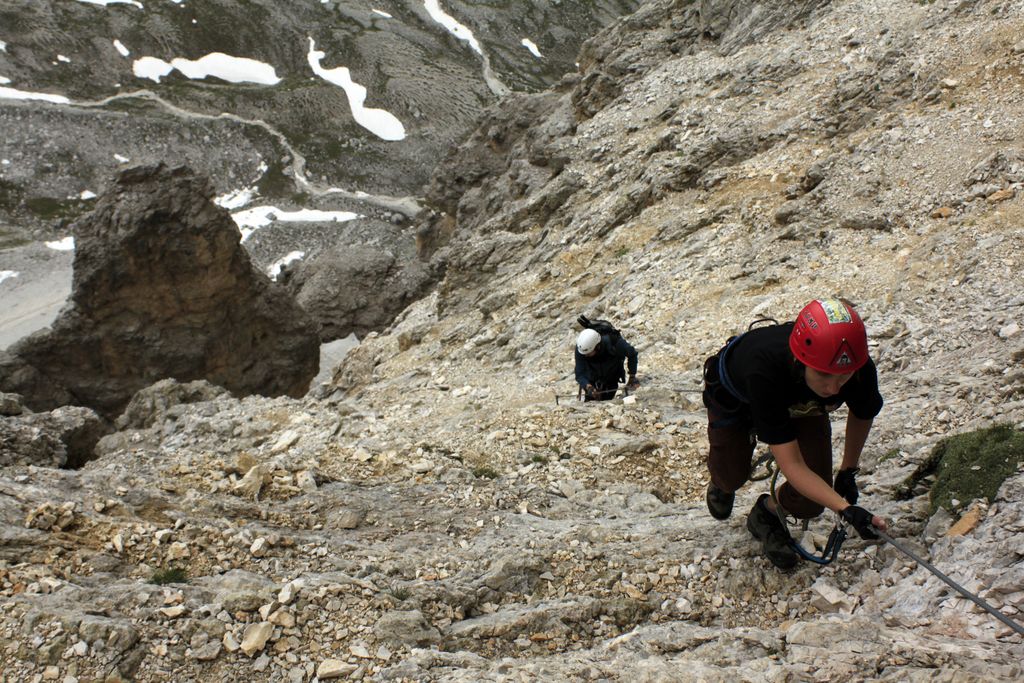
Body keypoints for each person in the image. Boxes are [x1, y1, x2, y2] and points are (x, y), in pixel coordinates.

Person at [701, 298, 888, 569]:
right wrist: (845, 509)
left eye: (843, 376)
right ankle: (721, 482)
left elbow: (863, 412)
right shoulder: (764, 369)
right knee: (731, 476)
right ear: (802, 360)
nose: (834, 388)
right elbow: (793, 465)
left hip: (799, 400)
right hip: (737, 399)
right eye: (824, 374)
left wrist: (848, 472)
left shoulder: (856, 366)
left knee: (812, 501)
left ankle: (766, 514)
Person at [575, 326, 639, 401]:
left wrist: (632, 376)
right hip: (592, 379)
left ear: (597, 346)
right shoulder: (582, 349)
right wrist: (588, 387)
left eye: (589, 354)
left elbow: (632, 354)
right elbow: (580, 373)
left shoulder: (615, 343)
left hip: (611, 379)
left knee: (607, 402)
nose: (585, 356)